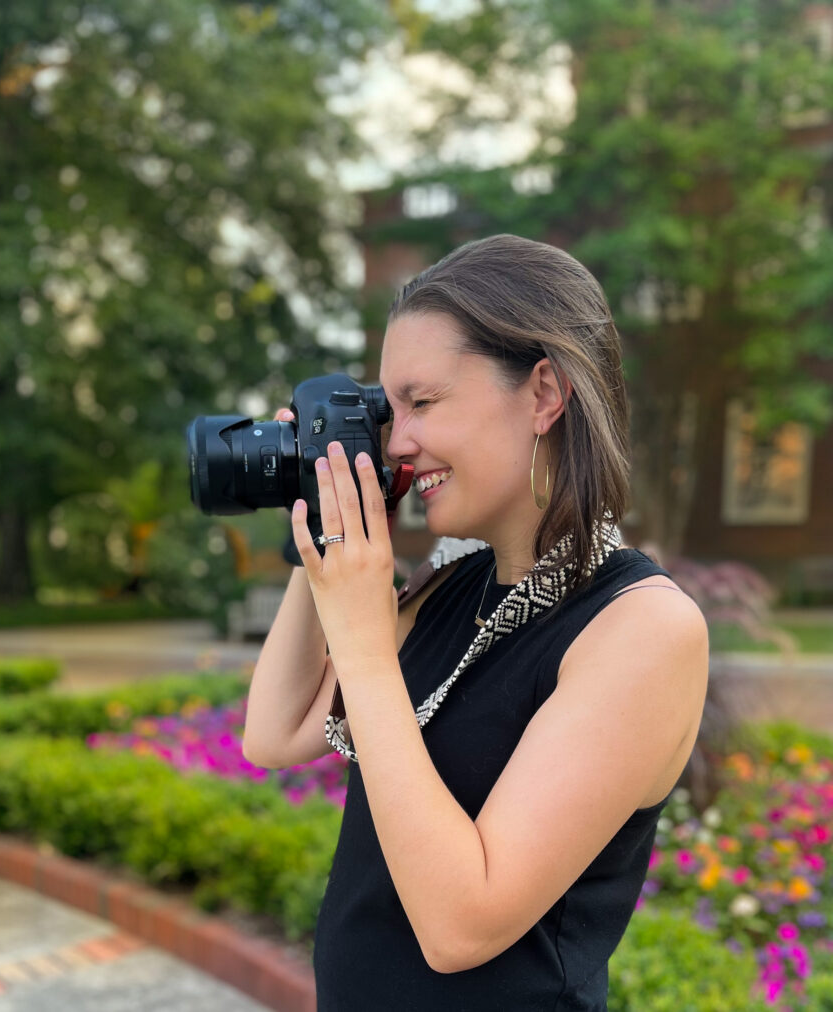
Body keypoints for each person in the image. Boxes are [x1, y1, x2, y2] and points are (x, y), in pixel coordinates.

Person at [241, 234, 709, 1011]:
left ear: (543, 395)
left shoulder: (642, 630)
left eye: (421, 403)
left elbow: (461, 927)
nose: (398, 442)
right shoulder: (451, 588)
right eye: (386, 414)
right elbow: (275, 732)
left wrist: (360, 637)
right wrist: (324, 511)